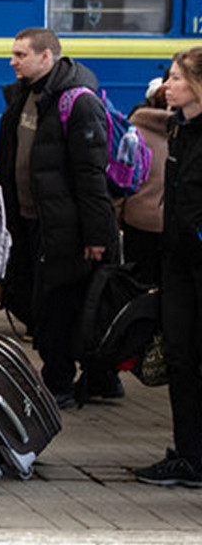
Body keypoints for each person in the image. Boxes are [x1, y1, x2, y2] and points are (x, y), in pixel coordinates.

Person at [0, 27, 119, 408]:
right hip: (33, 221)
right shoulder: (25, 97)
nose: (12, 61)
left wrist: (98, 236)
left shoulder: (77, 103)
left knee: (60, 307)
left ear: (46, 57)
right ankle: (99, 377)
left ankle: (59, 383)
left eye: (21, 55)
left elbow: (90, 176)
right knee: (46, 302)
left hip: (65, 228)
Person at [134, 47, 202, 488]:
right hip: (176, 261)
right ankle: (190, 452)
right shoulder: (180, 128)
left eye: (175, 77)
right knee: (180, 356)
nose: (166, 85)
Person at [119, 77, 170, 288]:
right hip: (179, 225)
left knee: (138, 284)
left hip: (138, 220)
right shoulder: (185, 130)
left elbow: (122, 176)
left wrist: (117, 215)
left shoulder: (135, 129)